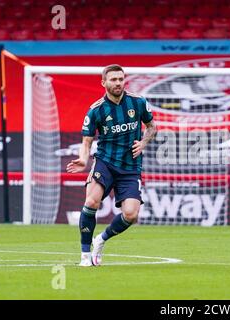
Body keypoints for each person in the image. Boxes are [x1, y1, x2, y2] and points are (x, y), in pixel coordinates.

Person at [66, 64, 157, 267]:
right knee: (91, 202)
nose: (118, 83)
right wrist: (83, 159)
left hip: (130, 166)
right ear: (104, 83)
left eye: (121, 79)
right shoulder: (96, 110)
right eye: (113, 79)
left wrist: (143, 143)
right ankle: (84, 255)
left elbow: (152, 127)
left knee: (131, 214)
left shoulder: (138, 102)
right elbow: (87, 141)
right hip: (105, 163)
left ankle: (101, 239)